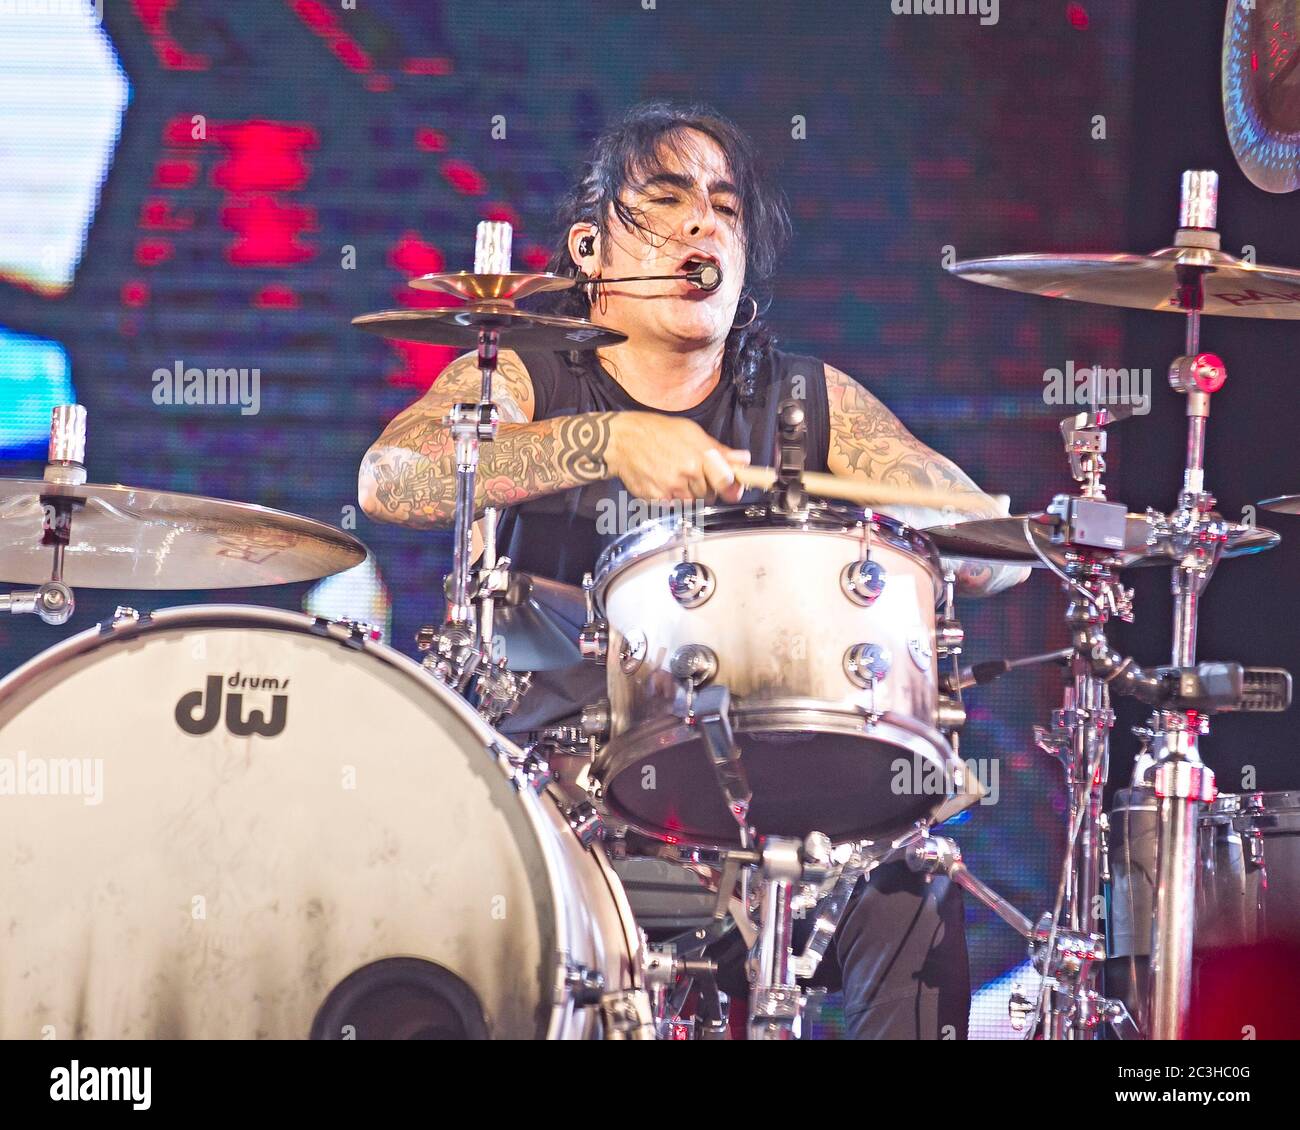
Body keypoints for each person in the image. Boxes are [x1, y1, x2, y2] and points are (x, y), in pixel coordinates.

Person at [359, 101, 1026, 1039]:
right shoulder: (525, 372)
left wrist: (897, 510)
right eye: (666, 200)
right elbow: (392, 478)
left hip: (768, 806)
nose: (701, 224)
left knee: (910, 889)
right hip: (563, 798)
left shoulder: (800, 396)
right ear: (589, 249)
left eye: (724, 207)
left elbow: (993, 549)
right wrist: (602, 441)